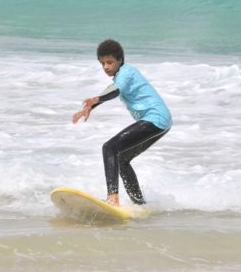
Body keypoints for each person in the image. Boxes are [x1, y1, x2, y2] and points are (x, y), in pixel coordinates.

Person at [72, 39, 172, 206]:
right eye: (102, 63)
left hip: (154, 118)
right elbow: (111, 90)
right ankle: (139, 204)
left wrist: (96, 99)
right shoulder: (122, 75)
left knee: (109, 147)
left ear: (120, 60)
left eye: (110, 62)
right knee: (122, 160)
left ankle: (113, 197)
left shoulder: (126, 72)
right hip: (162, 121)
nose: (105, 67)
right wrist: (92, 106)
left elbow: (115, 91)